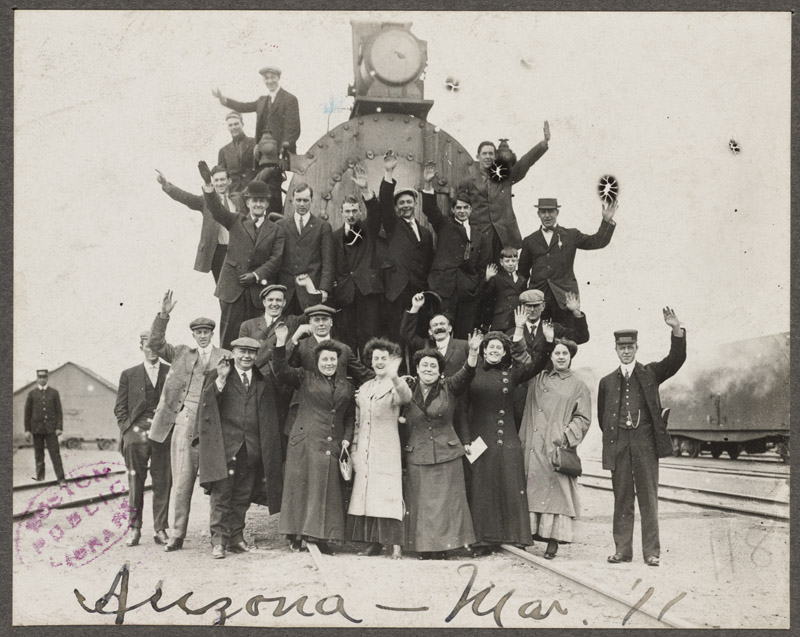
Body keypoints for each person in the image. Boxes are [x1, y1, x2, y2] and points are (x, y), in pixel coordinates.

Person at [598, 308, 686, 567]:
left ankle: (651, 552)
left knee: (648, 497)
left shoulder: (650, 373)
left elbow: (676, 360)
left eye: (630, 346)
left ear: (637, 347)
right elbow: (604, 418)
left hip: (644, 443)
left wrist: (676, 330)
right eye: (621, 347)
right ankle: (623, 551)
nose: (626, 351)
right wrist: (618, 438)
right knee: (622, 497)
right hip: (619, 444)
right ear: (615, 349)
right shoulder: (606, 382)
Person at [464, 310, 554, 556]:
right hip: (480, 437)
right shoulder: (472, 373)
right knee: (482, 487)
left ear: (504, 352)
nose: (494, 351)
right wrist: (465, 439)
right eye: (490, 347)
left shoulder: (512, 373)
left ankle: (514, 536)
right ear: (483, 351)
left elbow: (536, 365)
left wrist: (546, 342)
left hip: (507, 439)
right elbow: (461, 408)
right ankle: (482, 540)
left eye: (498, 348)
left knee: (510, 484)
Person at [147, 291, 231, 552]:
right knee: (182, 480)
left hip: (215, 424)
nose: (203, 335)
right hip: (185, 420)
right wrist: (163, 315)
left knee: (217, 481)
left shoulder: (226, 356)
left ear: (212, 334)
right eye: (199, 332)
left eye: (207, 331)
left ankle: (217, 537)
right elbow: (156, 344)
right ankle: (177, 534)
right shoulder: (181, 353)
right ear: (193, 335)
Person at [196, 337, 283, 559]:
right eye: (242, 351)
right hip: (225, 448)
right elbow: (207, 405)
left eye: (252, 352)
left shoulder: (262, 381)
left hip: (251, 448)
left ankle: (236, 537)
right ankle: (218, 541)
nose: (247, 356)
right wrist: (221, 380)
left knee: (242, 496)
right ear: (233, 352)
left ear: (256, 355)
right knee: (221, 496)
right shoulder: (218, 375)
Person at [272, 324, 355, 555]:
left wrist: (347, 439)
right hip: (305, 441)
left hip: (332, 443)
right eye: (324, 359)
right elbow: (280, 369)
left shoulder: (346, 386)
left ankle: (320, 536)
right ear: (317, 361)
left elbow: (350, 417)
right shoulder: (303, 377)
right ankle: (296, 535)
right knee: (302, 488)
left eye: (332, 360)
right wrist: (281, 343)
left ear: (338, 362)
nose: (329, 363)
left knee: (326, 490)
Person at [403, 331, 483, 559]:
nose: (428, 369)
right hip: (418, 453)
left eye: (433, 366)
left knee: (448, 504)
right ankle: (424, 548)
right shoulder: (407, 389)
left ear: (440, 371)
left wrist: (474, 352)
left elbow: (467, 373)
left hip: (447, 454)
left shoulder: (450, 387)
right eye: (424, 365)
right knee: (422, 505)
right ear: (417, 369)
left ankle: (446, 547)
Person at [517, 328, 591, 560]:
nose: (560, 357)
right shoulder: (537, 378)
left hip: (556, 447)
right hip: (531, 443)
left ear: (571, 358)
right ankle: (526, 535)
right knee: (530, 488)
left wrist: (566, 436)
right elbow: (521, 356)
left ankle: (552, 540)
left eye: (565, 354)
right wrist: (520, 330)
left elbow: (583, 418)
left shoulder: (578, 385)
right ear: (550, 355)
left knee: (556, 493)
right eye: (557, 353)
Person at [201, 169, 286, 351]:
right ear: (247, 202)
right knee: (228, 340)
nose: (258, 204)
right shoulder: (235, 220)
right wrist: (209, 186)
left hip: (257, 293)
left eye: (261, 201)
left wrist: (255, 275)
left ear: (267, 203)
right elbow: (216, 210)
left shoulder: (276, 230)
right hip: (233, 291)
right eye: (254, 200)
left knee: (256, 340)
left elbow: (275, 259)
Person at [346, 338, 412, 559]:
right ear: (370, 362)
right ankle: (373, 543)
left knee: (388, 495)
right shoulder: (364, 388)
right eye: (376, 358)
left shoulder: (396, 384)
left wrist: (395, 376)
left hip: (387, 449)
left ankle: (394, 544)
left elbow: (405, 397)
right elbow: (357, 422)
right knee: (368, 496)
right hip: (365, 449)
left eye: (385, 358)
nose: (380, 362)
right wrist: (354, 449)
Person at [458, 122, 551, 264]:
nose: (488, 156)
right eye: (484, 154)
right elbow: (460, 206)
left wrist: (543, 143)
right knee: (483, 271)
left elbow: (525, 161)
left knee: (505, 271)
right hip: (481, 234)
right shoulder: (468, 179)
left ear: (495, 157)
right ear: (478, 156)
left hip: (505, 233)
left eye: (491, 153)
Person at [518, 197, 617, 329]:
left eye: (551, 211)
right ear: (538, 214)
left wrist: (606, 220)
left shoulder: (571, 235)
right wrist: (525, 300)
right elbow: (523, 274)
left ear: (557, 212)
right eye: (543, 212)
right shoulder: (529, 240)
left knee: (567, 339)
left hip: (565, 297)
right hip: (538, 300)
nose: (547, 215)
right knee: (539, 339)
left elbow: (597, 241)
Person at [113, 332, 172, 547]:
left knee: (163, 480)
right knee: (135, 481)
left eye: (157, 346)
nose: (152, 350)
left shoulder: (170, 372)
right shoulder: (129, 375)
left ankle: (160, 529)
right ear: (141, 347)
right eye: (148, 346)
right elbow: (120, 408)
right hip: (136, 432)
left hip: (163, 432)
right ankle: (134, 528)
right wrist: (128, 430)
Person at [420, 162, 488, 339]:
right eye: (459, 208)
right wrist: (428, 184)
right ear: (452, 209)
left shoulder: (479, 234)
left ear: (471, 210)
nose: (462, 211)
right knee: (441, 333)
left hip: (467, 291)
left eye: (466, 208)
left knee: (463, 333)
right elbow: (429, 209)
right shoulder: (445, 225)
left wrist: (476, 286)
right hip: (444, 288)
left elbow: (481, 266)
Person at [378, 152, 434, 342]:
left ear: (415, 203)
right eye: (401, 203)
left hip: (418, 290)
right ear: (396, 207)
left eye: (409, 202)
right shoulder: (393, 225)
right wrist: (388, 172)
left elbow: (428, 262)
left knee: (417, 334)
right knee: (397, 335)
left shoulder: (425, 233)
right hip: (397, 291)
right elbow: (384, 203)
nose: (405, 206)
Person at [513, 288, 590, 424]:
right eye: (528, 306)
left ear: (543, 306)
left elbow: (581, 337)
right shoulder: (514, 331)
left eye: (536, 306)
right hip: (522, 391)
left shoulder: (553, 328)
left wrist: (576, 312)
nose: (532, 310)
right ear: (522, 307)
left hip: (547, 388)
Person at [156, 165, 240, 285]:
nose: (220, 183)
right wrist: (166, 185)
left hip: (238, 251)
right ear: (212, 182)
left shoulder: (238, 200)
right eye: (216, 180)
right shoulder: (205, 201)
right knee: (224, 291)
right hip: (219, 253)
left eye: (222, 179)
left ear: (229, 181)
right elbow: (185, 197)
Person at [332, 165, 384, 355]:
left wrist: (365, 190)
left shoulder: (366, 229)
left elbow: (376, 213)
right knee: (346, 337)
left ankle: (370, 376)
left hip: (367, 291)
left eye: (354, 211)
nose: (351, 215)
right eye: (347, 211)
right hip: (345, 294)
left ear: (360, 211)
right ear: (341, 212)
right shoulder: (335, 236)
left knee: (369, 336)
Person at [213, 65, 301, 154]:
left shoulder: (289, 99)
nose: (270, 81)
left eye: (273, 77)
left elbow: (293, 129)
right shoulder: (262, 101)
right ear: (263, 80)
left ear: (279, 78)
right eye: (266, 78)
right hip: (264, 151)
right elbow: (243, 107)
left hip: (284, 152)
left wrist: (284, 149)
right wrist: (223, 99)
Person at [276, 183, 335, 315]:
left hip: (311, 289)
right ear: (292, 200)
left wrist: (324, 289)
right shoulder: (281, 225)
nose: (302, 204)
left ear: (312, 201)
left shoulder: (322, 227)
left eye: (306, 200)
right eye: (298, 200)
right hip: (286, 290)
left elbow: (328, 261)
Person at [286, 304, 373, 384]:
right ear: (310, 323)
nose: (321, 324)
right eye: (316, 320)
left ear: (331, 322)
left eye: (324, 319)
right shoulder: (301, 347)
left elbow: (363, 374)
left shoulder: (344, 349)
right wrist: (295, 337)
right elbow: (284, 368)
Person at [400, 292, 469, 376]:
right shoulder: (425, 345)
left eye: (442, 324)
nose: (439, 327)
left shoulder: (464, 345)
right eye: (435, 325)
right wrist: (415, 307)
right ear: (430, 332)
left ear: (450, 328)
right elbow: (406, 334)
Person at [24, 369, 65, 485]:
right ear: (37, 378)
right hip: (37, 430)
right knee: (39, 455)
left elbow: (59, 411)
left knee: (55, 455)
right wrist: (27, 430)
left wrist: (59, 427)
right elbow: (27, 413)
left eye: (44, 377)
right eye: (40, 377)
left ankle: (61, 479)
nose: (42, 379)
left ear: (47, 378)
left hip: (51, 430)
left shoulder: (54, 393)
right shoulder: (32, 394)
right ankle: (40, 479)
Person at [479, 247, 528, 332]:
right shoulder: (496, 277)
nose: (510, 264)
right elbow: (485, 294)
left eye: (513, 261)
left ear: (517, 261)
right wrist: (487, 279)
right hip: (501, 320)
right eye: (507, 261)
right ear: (501, 262)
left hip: (517, 319)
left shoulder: (522, 279)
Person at [217, 111, 257, 195]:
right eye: (230, 125)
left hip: (254, 191)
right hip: (234, 193)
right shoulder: (223, 151)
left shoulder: (254, 143)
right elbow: (221, 175)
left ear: (242, 124)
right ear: (228, 127)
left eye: (236, 124)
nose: (233, 127)